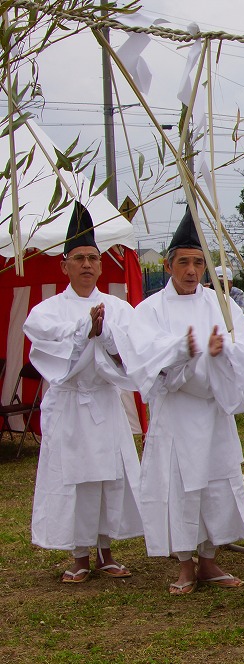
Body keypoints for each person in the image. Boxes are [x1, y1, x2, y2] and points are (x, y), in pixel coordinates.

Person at [124, 209, 244, 594]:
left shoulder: (223, 305)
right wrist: (185, 351)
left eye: (198, 263)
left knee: (216, 486)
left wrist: (221, 355)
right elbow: (146, 359)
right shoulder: (149, 310)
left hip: (213, 411)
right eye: (184, 262)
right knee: (179, 487)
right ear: (169, 265)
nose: (191, 270)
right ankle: (185, 564)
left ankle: (210, 561)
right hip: (176, 414)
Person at [23, 203, 143, 583]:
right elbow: (49, 354)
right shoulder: (47, 310)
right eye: (79, 258)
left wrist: (105, 333)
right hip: (71, 403)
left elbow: (131, 354)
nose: (87, 265)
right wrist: (82, 332)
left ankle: (106, 549)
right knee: (75, 477)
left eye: (93, 257)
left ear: (102, 264)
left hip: (104, 401)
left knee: (110, 476)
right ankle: (78, 554)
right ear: (65, 265)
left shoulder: (119, 308)